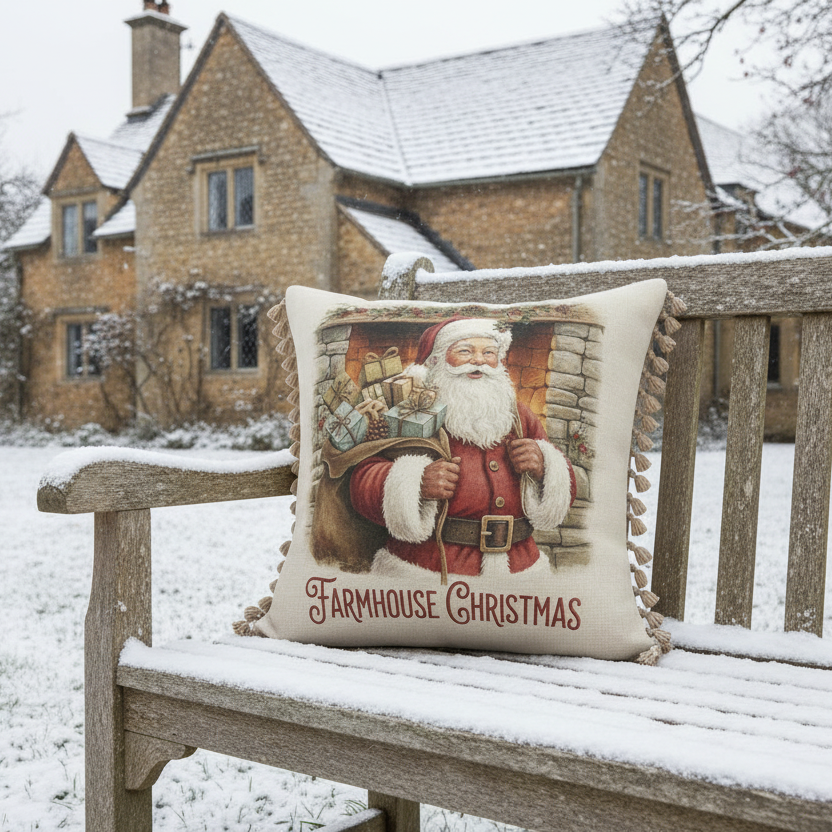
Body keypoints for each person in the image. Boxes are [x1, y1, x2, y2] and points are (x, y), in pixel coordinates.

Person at [349, 317, 576, 579]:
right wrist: (415, 482)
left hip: (520, 570)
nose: (478, 360)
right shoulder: (411, 409)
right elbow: (362, 479)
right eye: (465, 351)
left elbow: (566, 489)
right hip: (431, 570)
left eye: (488, 352)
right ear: (437, 361)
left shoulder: (518, 415)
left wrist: (544, 465)